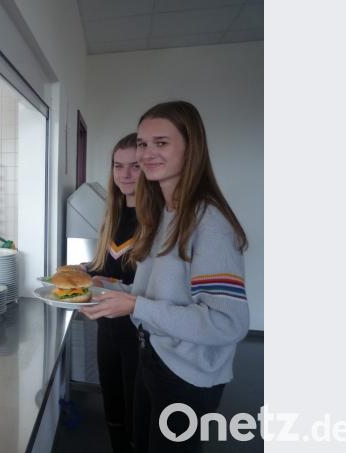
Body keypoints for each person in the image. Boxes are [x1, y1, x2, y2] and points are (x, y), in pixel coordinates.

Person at [80, 101, 250, 452]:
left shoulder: (208, 222)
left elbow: (227, 323)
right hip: (155, 355)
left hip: (188, 375)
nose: (147, 154)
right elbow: (154, 292)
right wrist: (109, 288)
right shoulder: (163, 215)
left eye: (161, 143)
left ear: (191, 148)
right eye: (143, 143)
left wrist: (135, 306)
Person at [81, 132, 141, 453]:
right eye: (118, 166)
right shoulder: (113, 215)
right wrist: (83, 272)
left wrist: (106, 283)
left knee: (137, 412)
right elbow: (104, 267)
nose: (125, 174)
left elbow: (148, 285)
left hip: (139, 334)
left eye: (134, 166)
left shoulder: (157, 220)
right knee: (113, 407)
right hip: (107, 328)